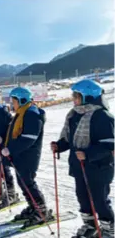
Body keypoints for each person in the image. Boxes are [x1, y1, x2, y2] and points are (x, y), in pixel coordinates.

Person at [51, 79, 114, 238]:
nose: (74, 99)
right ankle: (90, 225)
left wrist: (88, 154)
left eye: (77, 96)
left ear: (88, 97)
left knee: (100, 199)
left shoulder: (103, 117)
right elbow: (69, 140)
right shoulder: (74, 115)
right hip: (80, 166)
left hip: (99, 167)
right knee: (83, 197)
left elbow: (110, 145)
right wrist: (59, 146)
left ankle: (109, 229)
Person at [1, 87, 53, 227]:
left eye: (14, 100)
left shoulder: (31, 113)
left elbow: (29, 138)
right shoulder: (21, 113)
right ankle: (33, 207)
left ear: (22, 100)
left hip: (29, 155)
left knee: (28, 182)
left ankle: (42, 211)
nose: (12, 103)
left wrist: (10, 149)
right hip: (20, 155)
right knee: (22, 182)